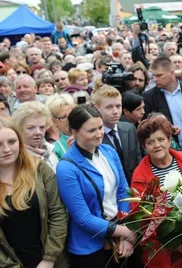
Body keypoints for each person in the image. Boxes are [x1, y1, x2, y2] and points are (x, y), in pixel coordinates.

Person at [56, 104, 136, 268]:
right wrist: (126, 232)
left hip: (120, 235)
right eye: (91, 130)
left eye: (100, 127)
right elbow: (83, 218)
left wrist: (125, 230)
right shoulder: (66, 167)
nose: (99, 134)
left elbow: (123, 191)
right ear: (74, 132)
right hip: (90, 248)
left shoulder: (109, 151)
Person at [132, 116, 182, 267]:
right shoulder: (140, 176)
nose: (157, 145)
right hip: (162, 248)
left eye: (161, 139)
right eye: (150, 142)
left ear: (169, 140)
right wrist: (173, 240)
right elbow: (141, 218)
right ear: (144, 146)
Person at [0, 117, 68, 268]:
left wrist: (49, 258)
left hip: (51, 261)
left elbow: (58, 213)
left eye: (12, 142)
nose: (6, 149)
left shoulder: (39, 169)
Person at [143, 56, 182, 158]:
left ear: (172, 73)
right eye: (154, 76)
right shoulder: (148, 97)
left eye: (159, 75)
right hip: (169, 153)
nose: (155, 79)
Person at [93, 85, 141, 185]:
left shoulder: (129, 129)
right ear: (97, 109)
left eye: (118, 106)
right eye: (109, 107)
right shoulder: (94, 137)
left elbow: (138, 161)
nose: (115, 112)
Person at [12, 101, 59, 171]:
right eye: (31, 128)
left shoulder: (49, 149)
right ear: (19, 129)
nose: (38, 132)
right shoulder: (16, 157)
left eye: (42, 127)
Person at [46, 94, 75, 160]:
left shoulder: (90, 135)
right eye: (63, 117)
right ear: (54, 121)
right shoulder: (56, 149)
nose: (69, 119)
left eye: (72, 114)